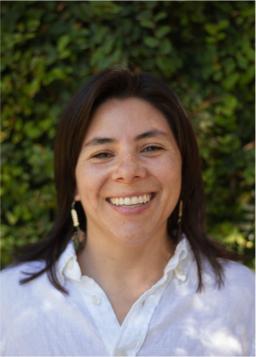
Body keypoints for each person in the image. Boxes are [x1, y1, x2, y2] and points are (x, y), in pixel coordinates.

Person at [0, 68, 254, 356]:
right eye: (103, 154)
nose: (129, 171)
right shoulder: (9, 302)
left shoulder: (242, 296)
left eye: (151, 147)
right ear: (73, 182)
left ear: (183, 168)